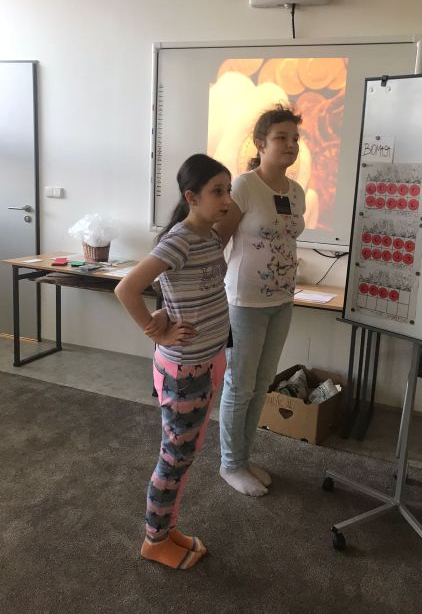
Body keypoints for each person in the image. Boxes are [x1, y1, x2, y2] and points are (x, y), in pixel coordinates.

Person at [115, 154, 232, 570]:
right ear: (191, 196)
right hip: (186, 371)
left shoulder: (210, 235)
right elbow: (127, 289)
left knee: (185, 453)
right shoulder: (180, 239)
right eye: (217, 191)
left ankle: (167, 529)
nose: (226, 199)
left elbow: (186, 288)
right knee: (174, 458)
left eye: (228, 190)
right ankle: (154, 540)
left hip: (208, 361)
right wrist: (156, 330)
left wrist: (168, 312)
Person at [214, 104, 306, 496]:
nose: (290, 145)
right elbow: (217, 241)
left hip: (282, 300)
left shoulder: (296, 191)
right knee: (240, 385)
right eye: (281, 137)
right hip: (244, 302)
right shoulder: (244, 186)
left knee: (263, 382)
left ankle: (244, 457)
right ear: (260, 143)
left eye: (295, 138)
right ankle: (230, 464)